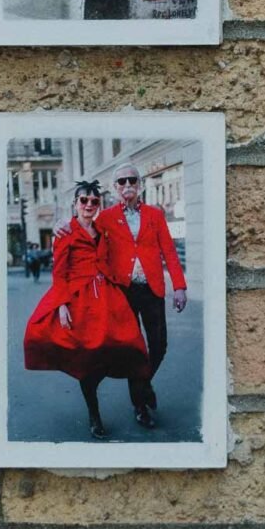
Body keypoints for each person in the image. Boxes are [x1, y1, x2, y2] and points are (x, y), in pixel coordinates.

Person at [23, 181, 152, 441]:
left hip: (109, 296)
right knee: (87, 360)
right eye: (84, 201)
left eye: (94, 201)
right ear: (75, 203)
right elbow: (59, 273)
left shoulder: (102, 227)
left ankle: (141, 403)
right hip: (79, 300)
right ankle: (94, 415)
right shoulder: (65, 232)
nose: (89, 205)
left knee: (135, 345)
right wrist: (61, 306)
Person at [95, 162, 187, 425]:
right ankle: (140, 406)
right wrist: (60, 225)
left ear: (140, 185)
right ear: (114, 188)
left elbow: (169, 251)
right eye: (122, 182)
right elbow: (86, 233)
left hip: (152, 289)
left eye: (132, 181)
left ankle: (143, 386)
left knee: (159, 345)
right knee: (134, 350)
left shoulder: (155, 215)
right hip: (123, 292)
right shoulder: (106, 217)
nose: (127, 186)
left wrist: (179, 286)